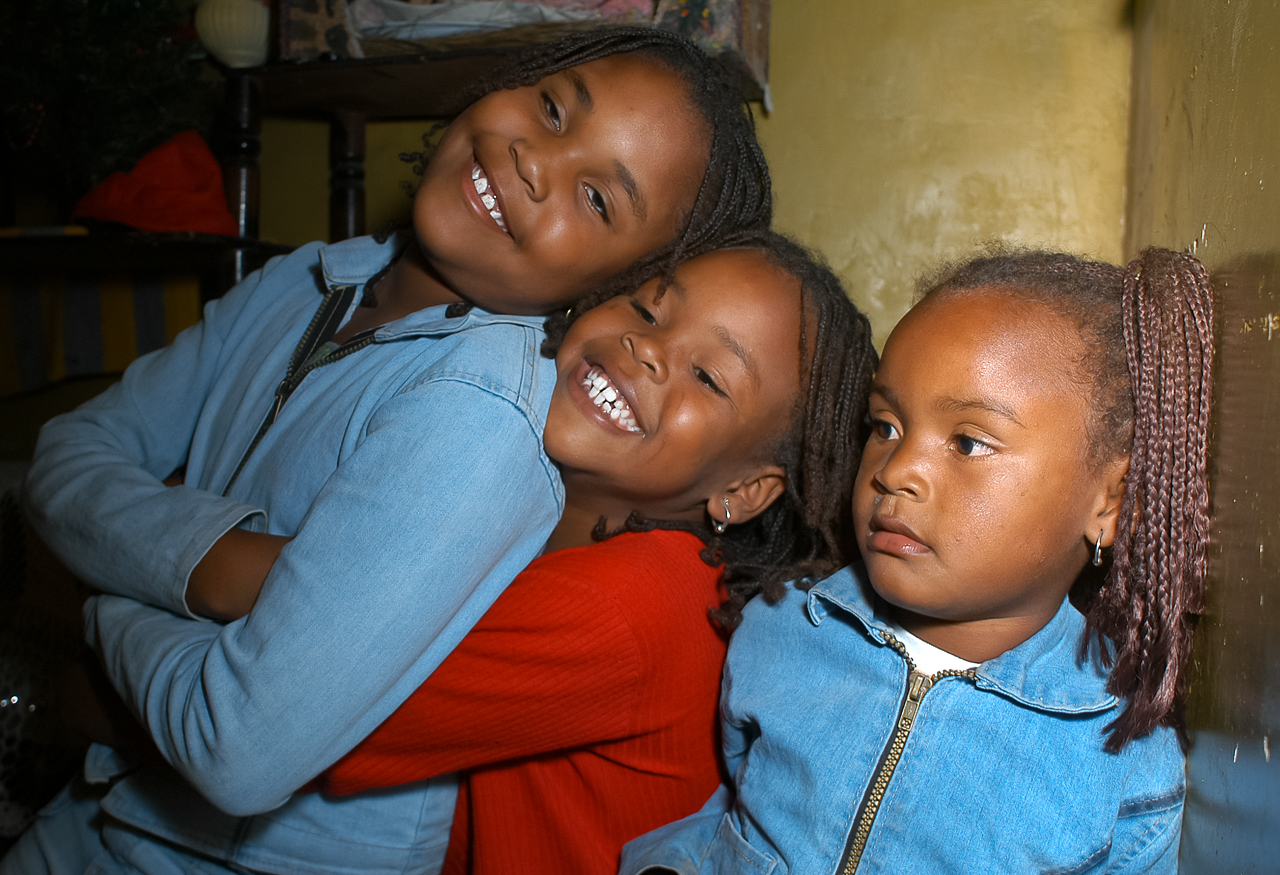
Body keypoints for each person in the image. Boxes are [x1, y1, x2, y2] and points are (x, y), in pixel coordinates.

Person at [8, 27, 771, 875]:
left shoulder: (484, 412)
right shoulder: (308, 276)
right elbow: (65, 454)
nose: (535, 163)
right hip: (91, 812)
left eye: (598, 201)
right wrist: (220, 565)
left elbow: (239, 749)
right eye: (553, 109)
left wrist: (101, 594)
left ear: (620, 285)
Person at [621, 247, 1214, 874]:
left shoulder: (1124, 765)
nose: (896, 472)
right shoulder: (785, 626)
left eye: (968, 442)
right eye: (886, 426)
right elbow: (735, 821)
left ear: (1112, 504)